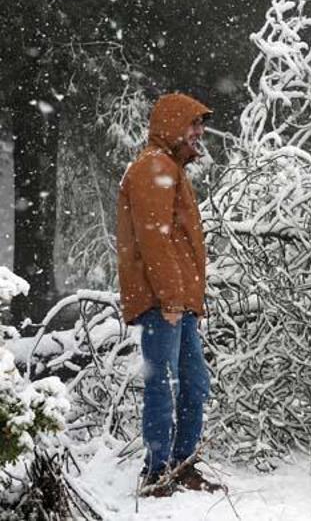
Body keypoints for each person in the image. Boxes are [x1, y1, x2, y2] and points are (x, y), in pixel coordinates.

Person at [116, 93, 223, 497]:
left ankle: (181, 466)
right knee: (165, 384)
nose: (200, 133)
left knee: (194, 384)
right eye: (193, 124)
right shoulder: (153, 167)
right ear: (173, 125)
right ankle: (157, 473)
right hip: (166, 303)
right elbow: (155, 240)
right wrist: (173, 297)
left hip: (179, 303)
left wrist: (186, 300)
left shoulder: (169, 168)